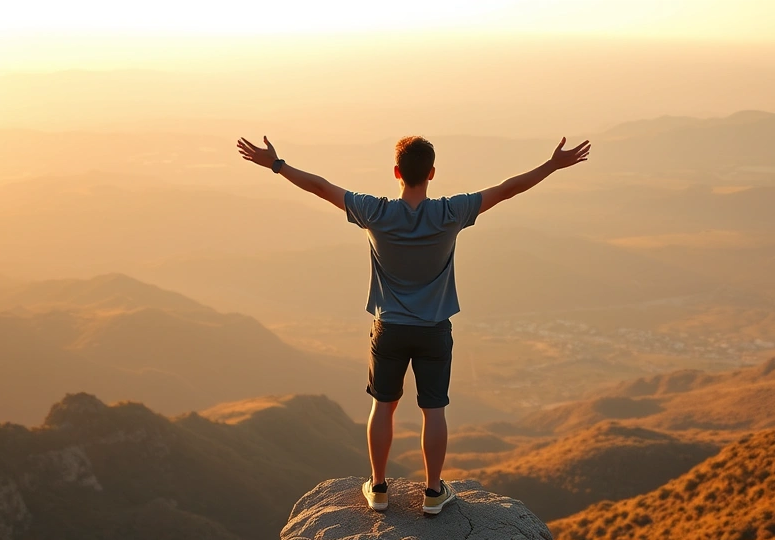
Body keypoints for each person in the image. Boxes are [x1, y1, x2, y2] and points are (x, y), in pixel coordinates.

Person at [237, 134, 590, 514]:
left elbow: (321, 187)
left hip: (388, 327)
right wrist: (552, 165)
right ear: (432, 173)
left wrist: (276, 165)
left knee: (383, 406)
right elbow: (506, 190)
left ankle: (378, 487)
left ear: (396, 173)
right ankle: (434, 493)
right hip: (434, 329)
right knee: (433, 410)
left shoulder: (375, 212)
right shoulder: (450, 212)